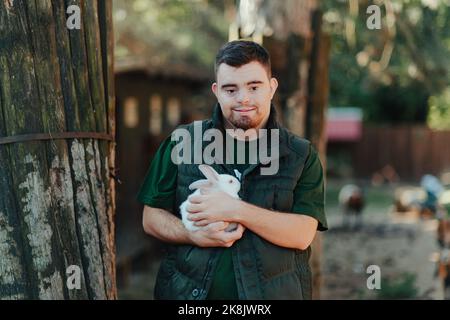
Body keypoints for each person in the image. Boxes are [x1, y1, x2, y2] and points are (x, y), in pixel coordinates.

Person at [138, 40, 327, 300]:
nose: (243, 98)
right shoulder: (182, 142)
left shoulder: (300, 155)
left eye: (254, 86)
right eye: (231, 89)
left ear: (271, 88)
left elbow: (303, 234)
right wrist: (193, 235)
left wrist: (235, 209)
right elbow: (151, 217)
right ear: (216, 91)